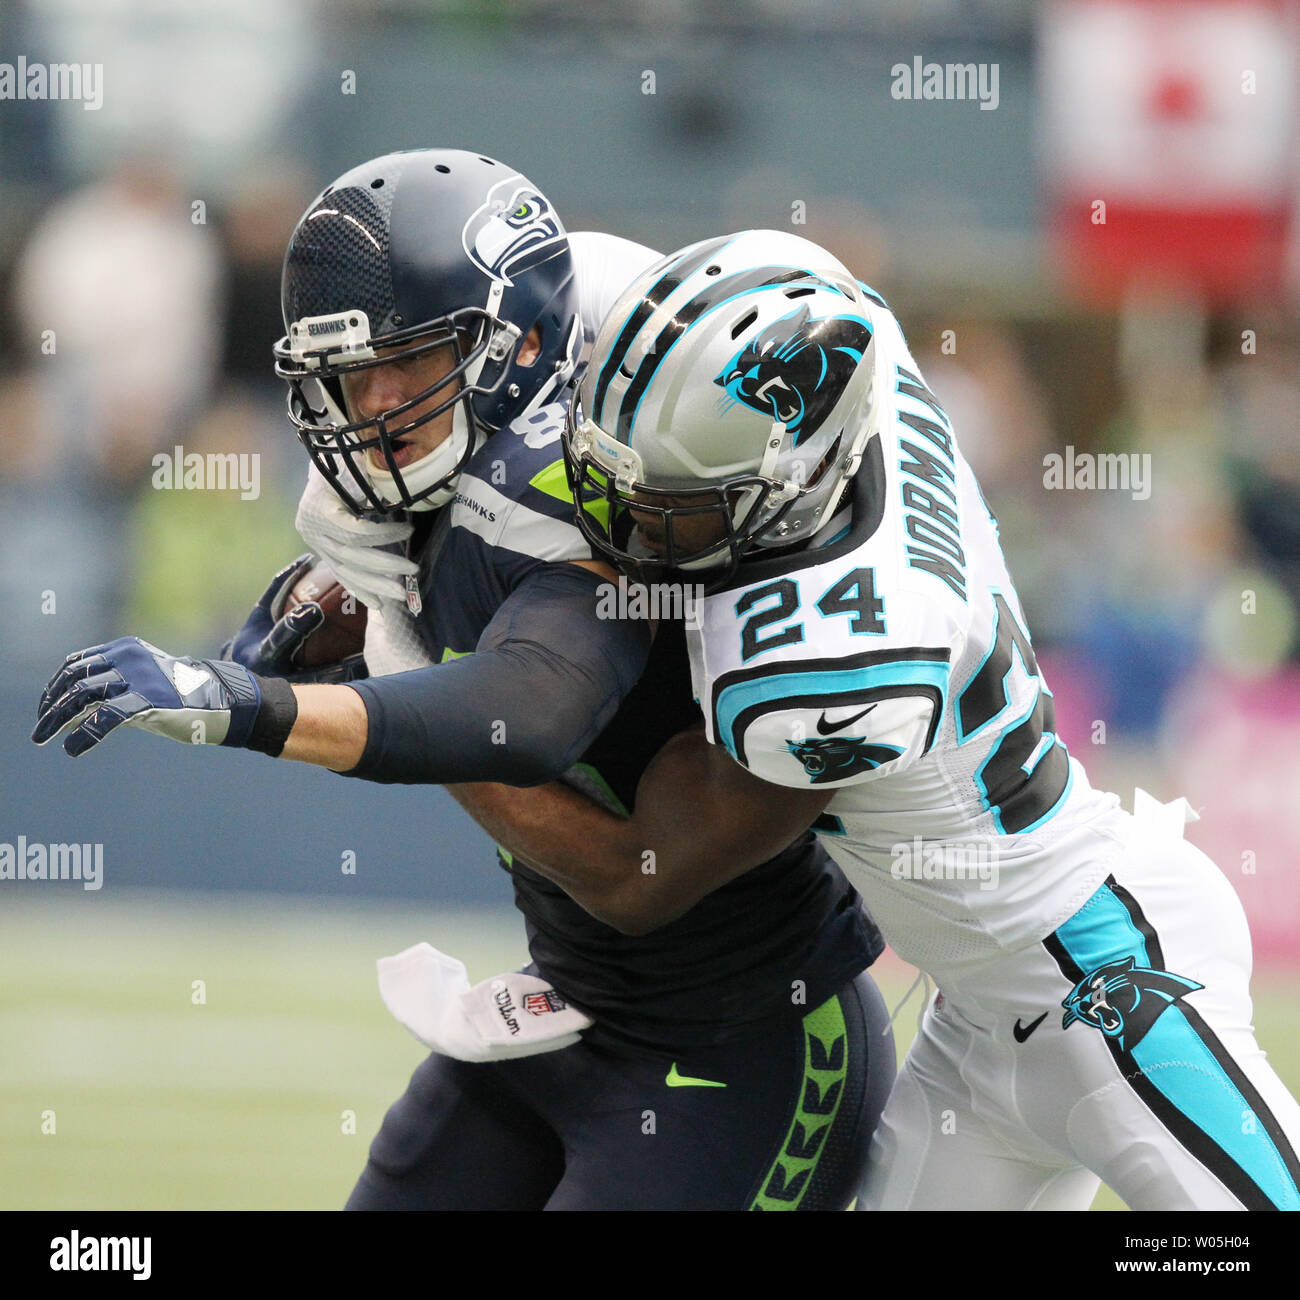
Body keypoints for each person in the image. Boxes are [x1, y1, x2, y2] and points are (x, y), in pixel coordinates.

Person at [33, 153, 894, 1211]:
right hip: (572, 1000)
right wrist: (344, 600)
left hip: (745, 1040)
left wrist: (257, 708)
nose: (375, 404)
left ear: (518, 347)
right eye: (351, 373)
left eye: (410, 363)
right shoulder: (430, 470)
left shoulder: (617, 474)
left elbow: (529, 711)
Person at [452, 227, 1300, 1210]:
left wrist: (441, 718)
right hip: (975, 1016)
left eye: (672, 502)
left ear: (787, 482)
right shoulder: (844, 364)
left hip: (1108, 977)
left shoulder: (831, 660)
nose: (623, 522)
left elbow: (639, 874)